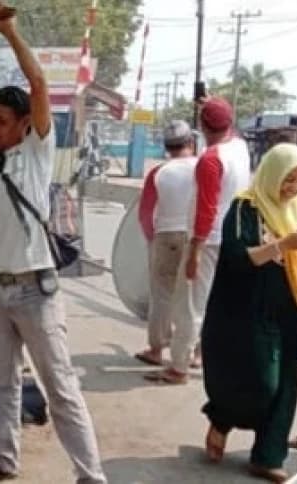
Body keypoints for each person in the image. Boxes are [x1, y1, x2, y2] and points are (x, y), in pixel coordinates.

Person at [0, 3, 106, 482]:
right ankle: (3, 461)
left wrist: (8, 31)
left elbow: (39, 87)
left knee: (61, 388)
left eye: (2, 121)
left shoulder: (37, 151)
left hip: (35, 288)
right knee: (2, 383)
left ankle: (91, 476)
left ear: (24, 125)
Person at [201, 143, 297, 483]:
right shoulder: (246, 207)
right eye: (287, 180)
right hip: (246, 309)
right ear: (271, 174)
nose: (291, 189)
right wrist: (282, 244)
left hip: (291, 305)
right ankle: (221, 417)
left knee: (287, 385)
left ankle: (268, 455)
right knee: (260, 382)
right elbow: (237, 256)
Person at [134, 120, 199, 382]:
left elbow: (145, 212)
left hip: (166, 235)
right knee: (194, 297)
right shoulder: (203, 167)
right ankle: (194, 353)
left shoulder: (159, 172)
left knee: (162, 294)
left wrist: (153, 239)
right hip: (196, 236)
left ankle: (157, 349)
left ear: (166, 147)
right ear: (191, 143)